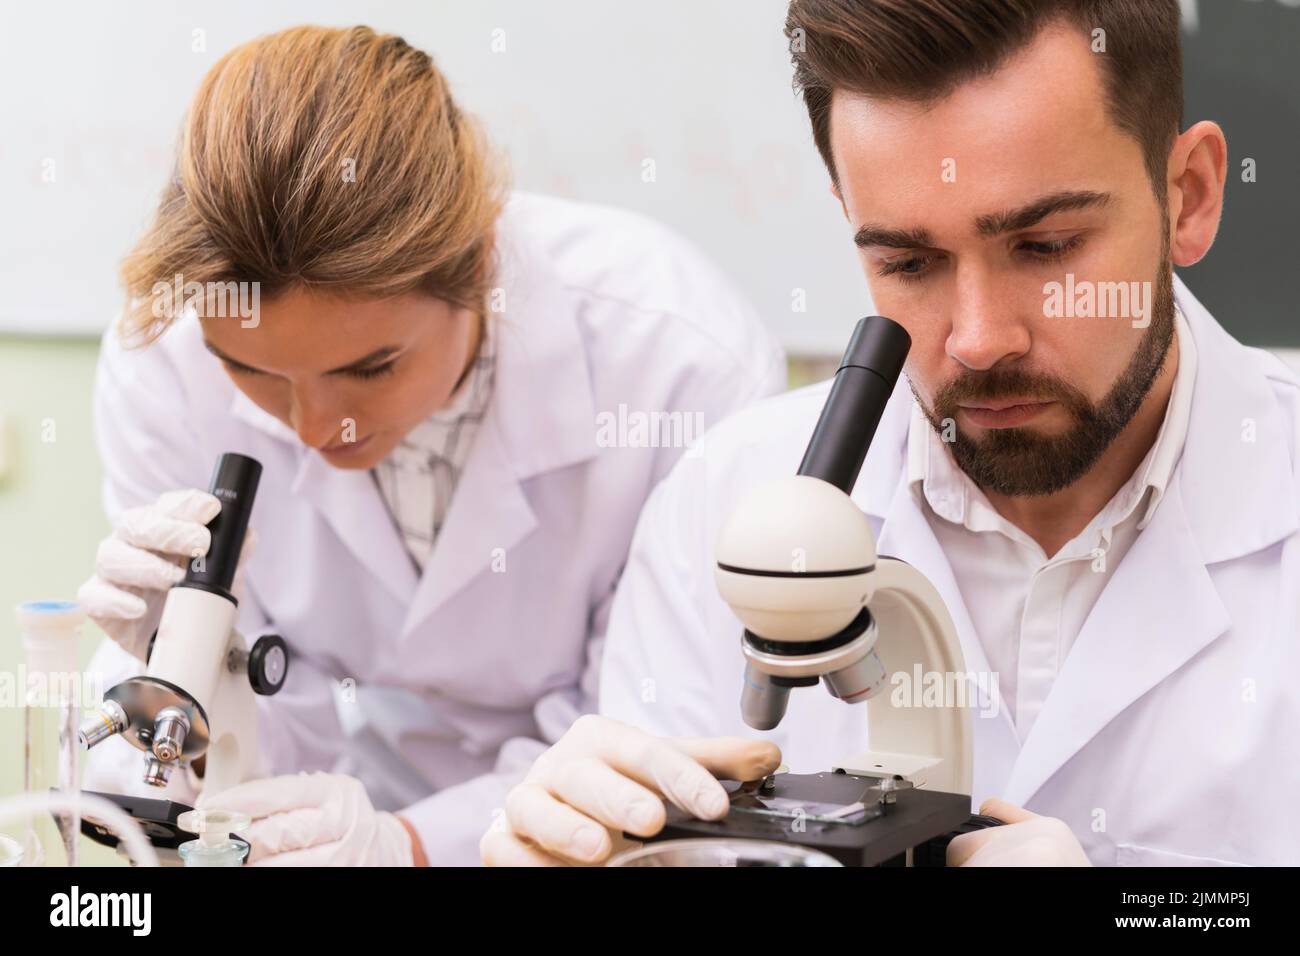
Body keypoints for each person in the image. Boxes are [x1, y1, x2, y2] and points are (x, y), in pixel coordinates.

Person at [484, 0, 1300, 867]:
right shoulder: (723, 498)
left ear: (1190, 196)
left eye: (1046, 244)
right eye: (908, 263)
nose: (979, 338)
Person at [77, 25, 785, 866]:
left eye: (370, 368)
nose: (313, 428)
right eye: (254, 372)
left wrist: (407, 845)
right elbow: (251, 738)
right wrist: (186, 670)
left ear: (481, 263)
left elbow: (656, 721)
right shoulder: (165, 361)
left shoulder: (678, 364)